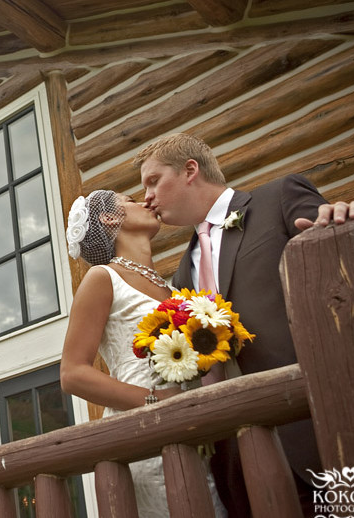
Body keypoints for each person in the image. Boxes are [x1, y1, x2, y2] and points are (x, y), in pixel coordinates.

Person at [133, 132, 354, 516]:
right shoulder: (181, 274)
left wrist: (345, 219)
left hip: (322, 428)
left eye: (153, 181)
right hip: (244, 461)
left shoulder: (277, 198)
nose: (146, 197)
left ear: (190, 170)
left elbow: (339, 257)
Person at [59, 189, 227, 517]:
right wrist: (155, 401)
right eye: (132, 201)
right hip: (146, 438)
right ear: (110, 218)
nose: (146, 202)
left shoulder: (176, 291)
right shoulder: (101, 278)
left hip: (199, 436)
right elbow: (72, 373)